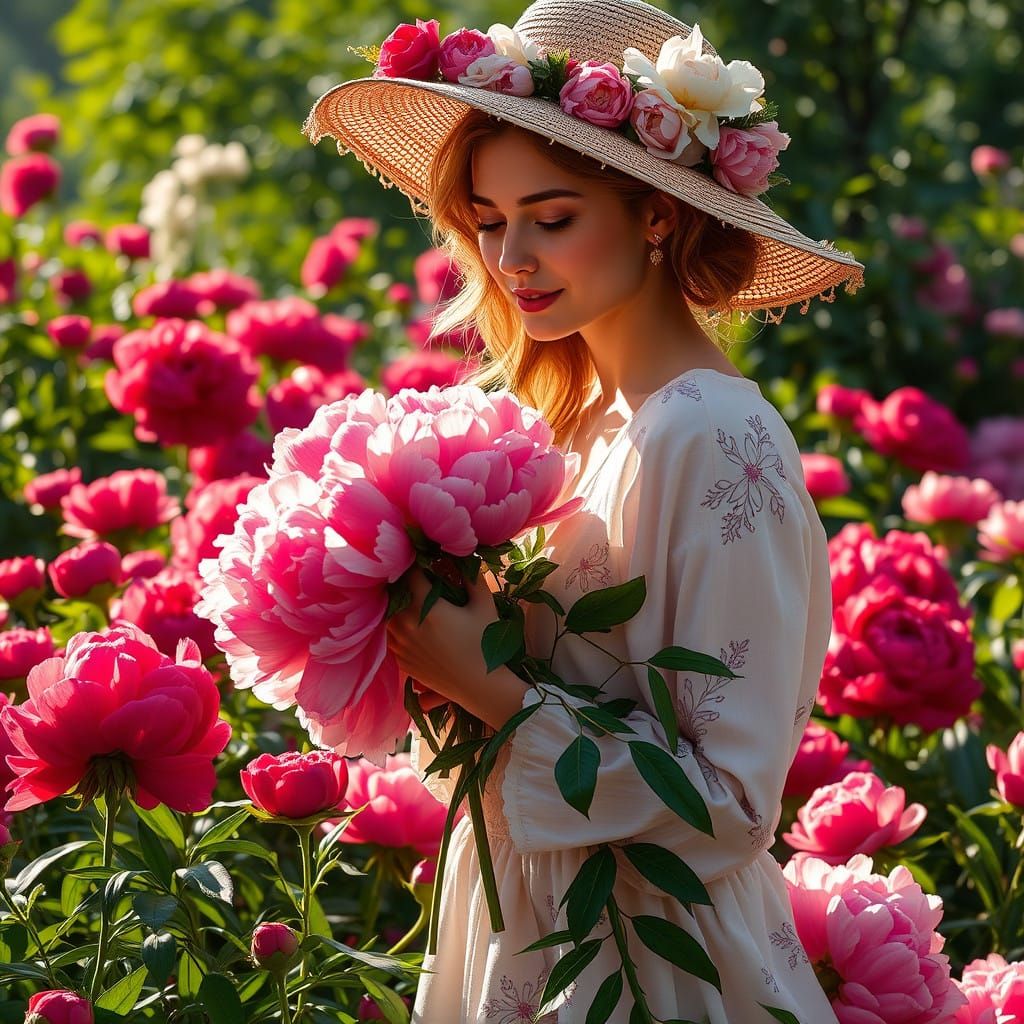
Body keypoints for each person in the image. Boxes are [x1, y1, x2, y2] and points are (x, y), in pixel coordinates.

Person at [304, 1, 865, 1020]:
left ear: (657, 211)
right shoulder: (562, 426)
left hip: (647, 951)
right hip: (527, 919)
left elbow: (730, 804)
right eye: (487, 221)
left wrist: (498, 692)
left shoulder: (706, 431)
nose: (510, 257)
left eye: (550, 216)